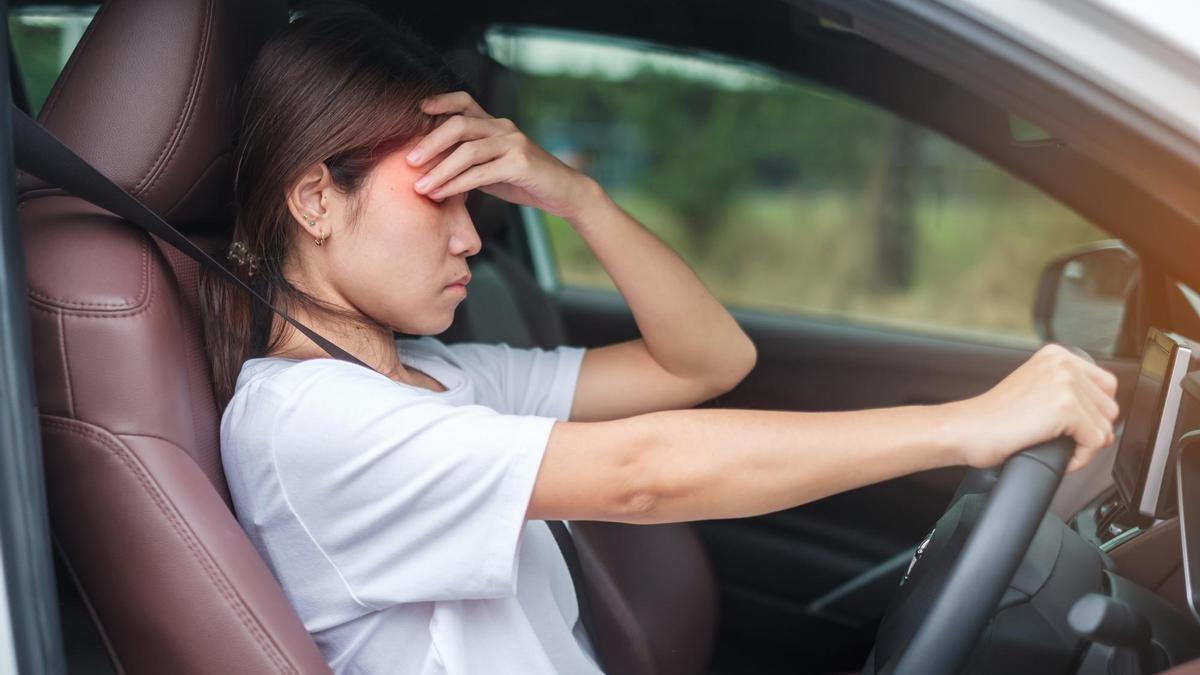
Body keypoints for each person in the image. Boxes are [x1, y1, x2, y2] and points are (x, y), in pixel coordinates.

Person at [200, 3, 1120, 674]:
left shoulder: (433, 378)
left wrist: (574, 195)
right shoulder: (308, 423)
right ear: (316, 197)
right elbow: (645, 472)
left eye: (475, 202)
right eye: (438, 196)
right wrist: (970, 423)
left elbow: (708, 360)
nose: (473, 237)